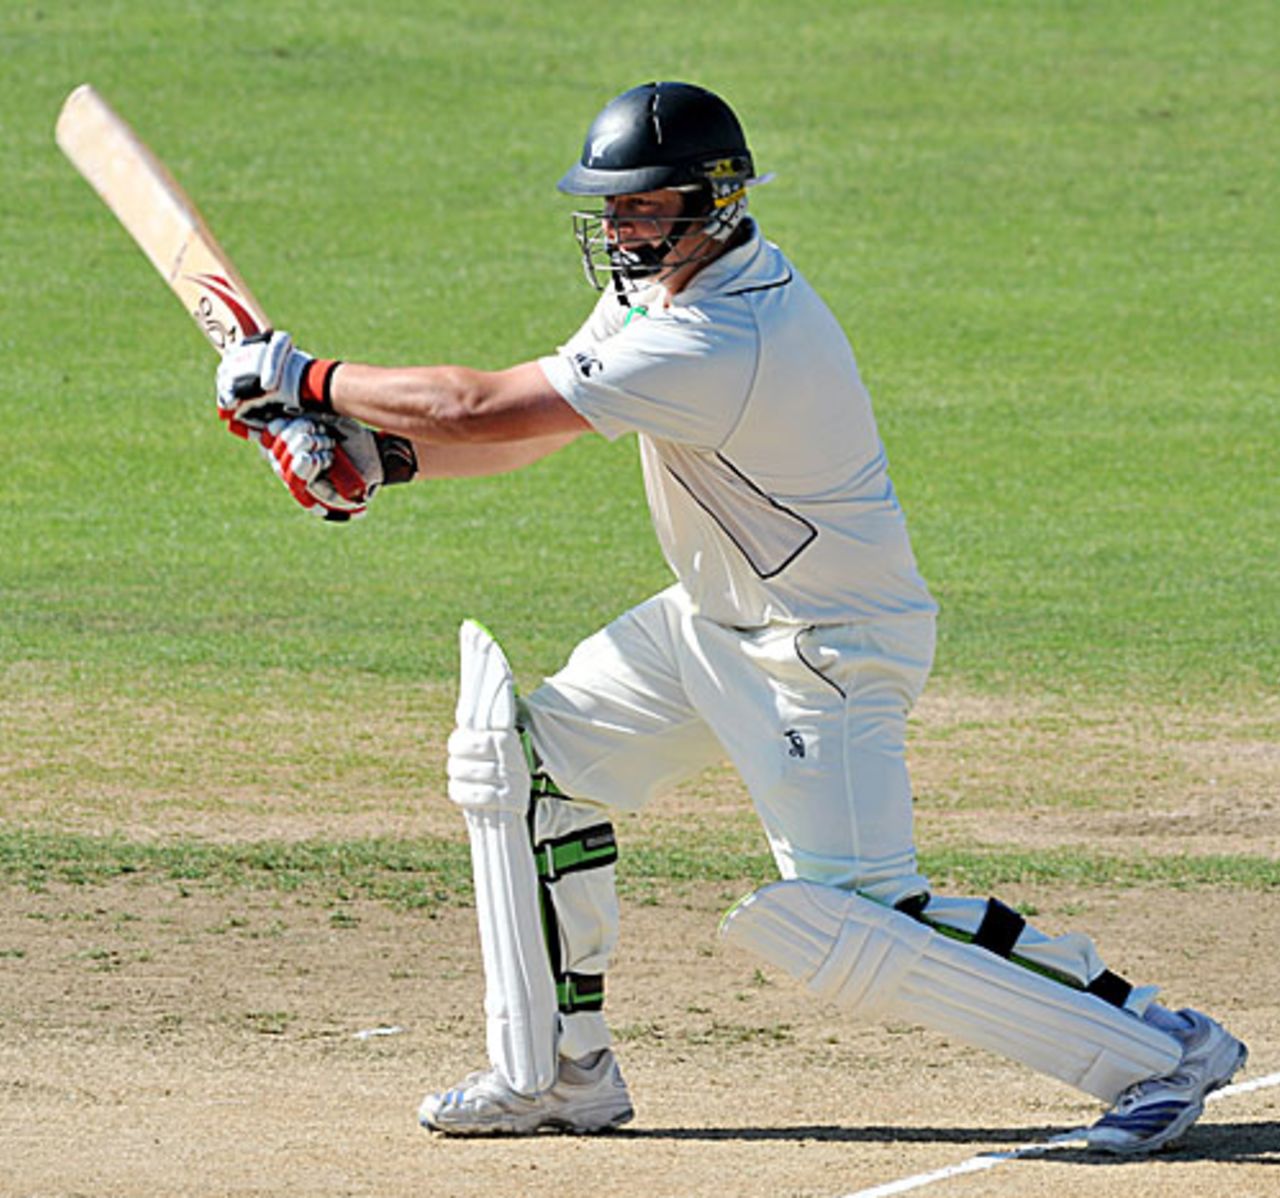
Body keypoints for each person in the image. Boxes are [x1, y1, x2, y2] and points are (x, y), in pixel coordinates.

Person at [215, 81, 1246, 1153]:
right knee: (524, 768)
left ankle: (1163, 1047)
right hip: (706, 624)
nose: (621, 228)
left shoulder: (725, 333)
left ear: (714, 201)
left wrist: (305, 378)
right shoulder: (656, 295)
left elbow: (481, 405)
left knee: (858, 916)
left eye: (643, 206)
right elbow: (536, 429)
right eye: (612, 208)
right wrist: (383, 460)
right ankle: (561, 1073)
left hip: (823, 649)